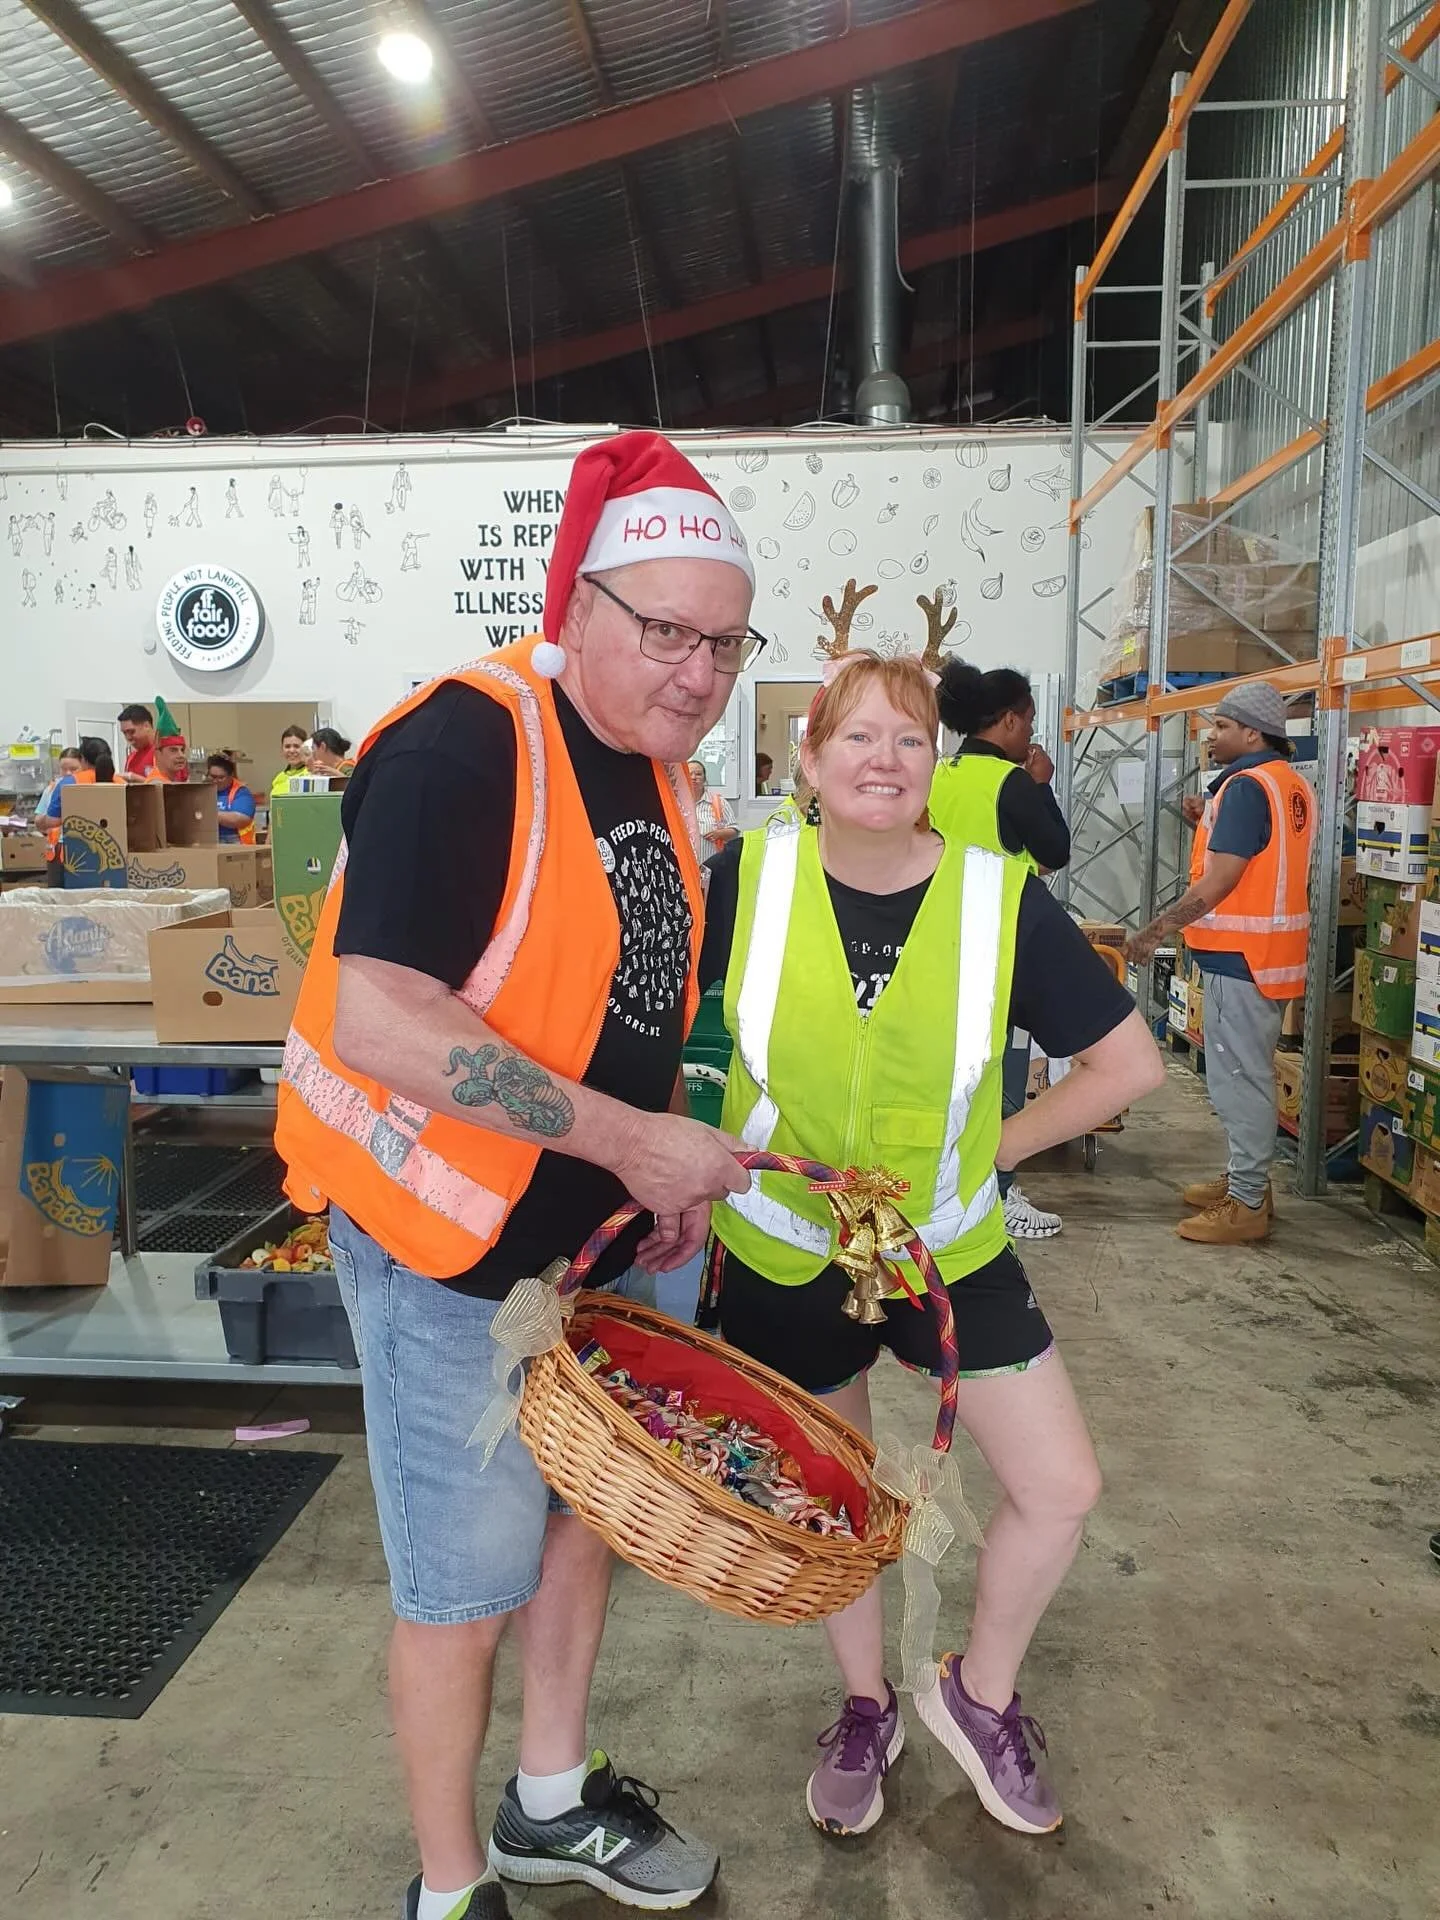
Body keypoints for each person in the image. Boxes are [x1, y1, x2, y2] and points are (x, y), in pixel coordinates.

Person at [275, 431, 769, 1920]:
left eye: (725, 640)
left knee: (582, 1526)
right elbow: (380, 1018)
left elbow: (618, 1004)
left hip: (592, 1249)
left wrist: (662, 1160)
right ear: (580, 607)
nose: (698, 670)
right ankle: (446, 1887)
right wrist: (629, 1144)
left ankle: (550, 1801)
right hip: (449, 1254)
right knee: (461, 1592)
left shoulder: (668, 780)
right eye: (664, 629)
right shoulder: (465, 744)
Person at [699, 650, 1164, 1842]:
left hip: (942, 1246)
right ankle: (863, 1704)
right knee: (833, 1497)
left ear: (935, 762)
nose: (885, 761)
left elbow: (1128, 1066)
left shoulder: (995, 896)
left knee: (1062, 1487)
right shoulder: (745, 876)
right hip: (785, 1242)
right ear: (806, 761)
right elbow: (654, 1035)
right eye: (855, 738)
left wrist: (993, 1151)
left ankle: (975, 1693)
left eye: (909, 740)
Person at [1124, 682, 1313, 1245]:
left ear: (1253, 732)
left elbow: (1225, 877)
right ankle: (1246, 1182)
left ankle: (1248, 1202)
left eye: (1223, 727)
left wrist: (1157, 928)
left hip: (1242, 957)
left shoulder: (1248, 788)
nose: (1212, 735)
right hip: (1266, 955)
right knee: (1244, 1073)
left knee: (1239, 1080)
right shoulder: (1287, 783)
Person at [931, 660, 1072, 1242]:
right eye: (1029, 721)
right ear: (1010, 720)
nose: (1030, 735)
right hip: (998, 944)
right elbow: (1055, 851)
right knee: (996, 1072)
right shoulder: (1010, 783)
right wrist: (1042, 784)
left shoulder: (940, 773)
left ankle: (948, 1185)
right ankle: (997, 1191)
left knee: (947, 1074)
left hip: (937, 939)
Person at [686, 759, 737, 855]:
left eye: (698, 774)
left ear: (704, 778)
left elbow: (734, 830)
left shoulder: (719, 802)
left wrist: (719, 834)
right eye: (690, 774)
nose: (694, 777)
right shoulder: (677, 803)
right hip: (685, 862)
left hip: (712, 861)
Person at [207, 752, 257, 844]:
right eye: (212, 776)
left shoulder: (241, 792)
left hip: (236, 842)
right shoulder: (204, 790)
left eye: (221, 777)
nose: (216, 781)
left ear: (231, 776)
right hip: (209, 840)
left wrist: (208, 815)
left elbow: (241, 819)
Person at [117, 703, 156, 781]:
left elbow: (171, 788)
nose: (128, 738)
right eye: (124, 733)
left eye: (131, 731)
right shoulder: (131, 758)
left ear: (146, 726)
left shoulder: (163, 752)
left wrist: (134, 778)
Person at [271, 724, 311, 795]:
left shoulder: (312, 775)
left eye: (296, 746)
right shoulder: (278, 778)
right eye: (287, 746)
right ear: (282, 749)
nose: (292, 750)